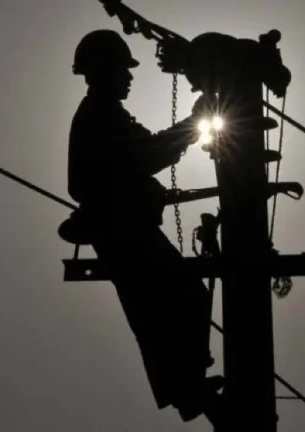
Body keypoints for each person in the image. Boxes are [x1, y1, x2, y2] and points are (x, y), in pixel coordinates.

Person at [67, 29, 222, 425]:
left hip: (121, 229)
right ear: (104, 71)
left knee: (163, 309)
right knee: (178, 300)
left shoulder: (104, 115)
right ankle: (187, 388)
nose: (131, 77)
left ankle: (186, 387)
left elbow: (139, 156)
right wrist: (193, 124)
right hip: (122, 232)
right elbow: (148, 154)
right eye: (124, 69)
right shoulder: (99, 116)